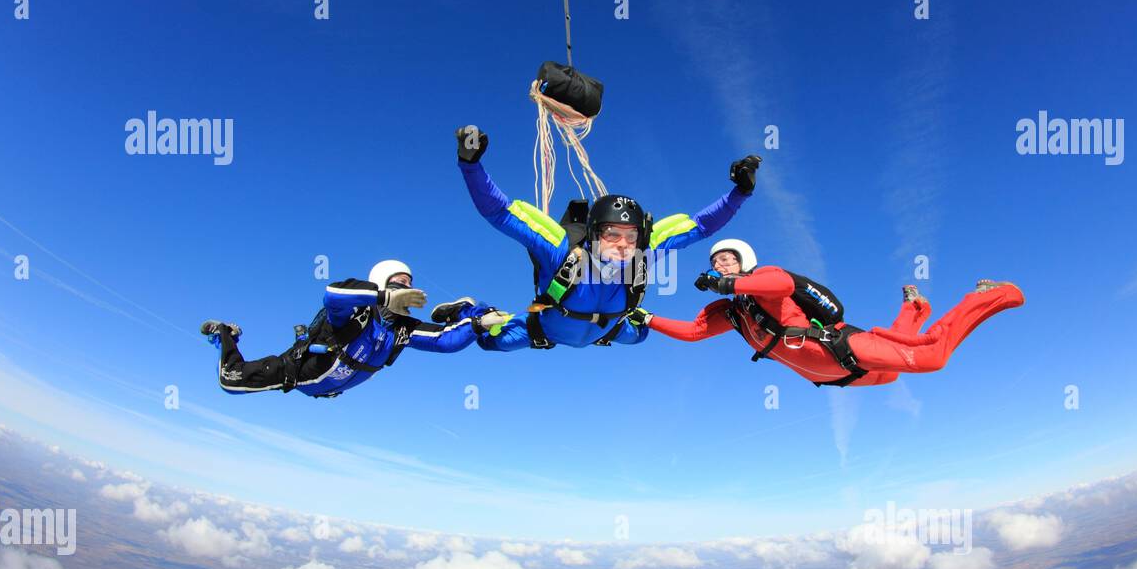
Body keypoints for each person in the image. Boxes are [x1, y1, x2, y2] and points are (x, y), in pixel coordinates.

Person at [454, 125, 762, 351]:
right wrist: (471, 165)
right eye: (611, 234)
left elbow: (700, 226)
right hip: (544, 327)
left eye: (631, 236)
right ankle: (472, 309)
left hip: (612, 329)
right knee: (489, 341)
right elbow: (501, 213)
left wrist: (740, 193)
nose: (623, 244)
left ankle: (626, 326)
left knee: (640, 335)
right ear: (592, 233)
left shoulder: (645, 251)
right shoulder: (559, 249)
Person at [634, 239, 1023, 386]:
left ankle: (988, 296)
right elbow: (693, 332)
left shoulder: (763, 277)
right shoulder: (735, 312)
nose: (720, 263)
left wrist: (728, 284)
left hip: (841, 349)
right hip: (834, 377)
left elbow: (783, 286)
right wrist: (647, 318)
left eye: (727, 258)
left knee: (932, 358)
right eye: (716, 261)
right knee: (892, 374)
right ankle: (915, 306)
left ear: (744, 261)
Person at [200, 260, 505, 397]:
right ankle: (225, 335)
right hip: (297, 371)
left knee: (466, 321)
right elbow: (333, 293)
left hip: (325, 386)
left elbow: (444, 341)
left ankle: (463, 309)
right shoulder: (356, 312)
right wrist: (383, 296)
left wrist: (476, 323)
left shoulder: (402, 329)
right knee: (230, 381)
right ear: (381, 284)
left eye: (410, 286)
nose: (408, 290)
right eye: (400, 284)